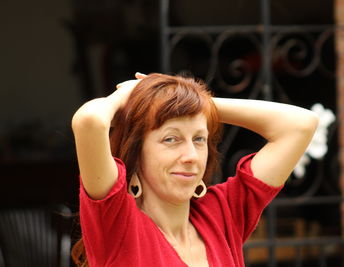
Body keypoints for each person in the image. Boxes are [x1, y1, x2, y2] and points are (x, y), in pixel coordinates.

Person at [71, 72, 318, 267]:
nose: (191, 156)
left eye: (199, 139)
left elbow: (300, 125)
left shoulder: (222, 214)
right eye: (171, 139)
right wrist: (130, 97)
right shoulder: (117, 226)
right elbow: (89, 121)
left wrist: (194, 103)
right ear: (137, 152)